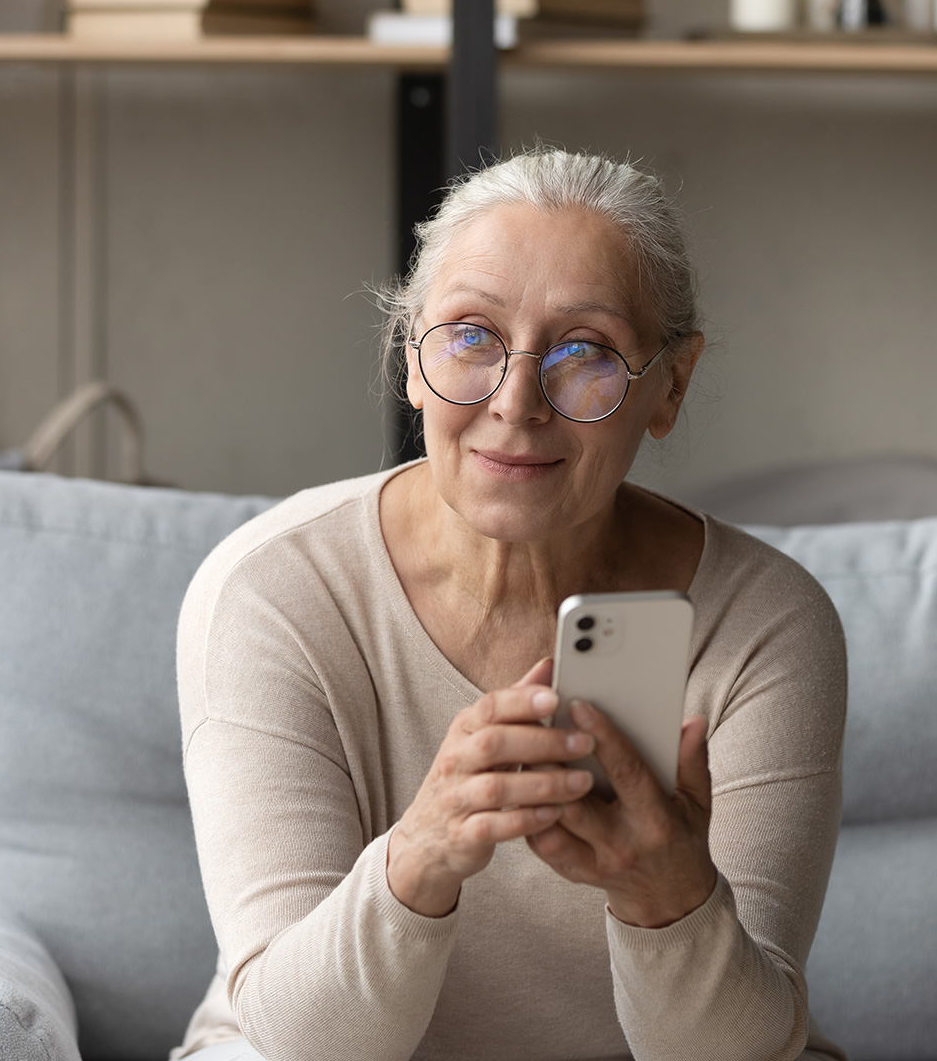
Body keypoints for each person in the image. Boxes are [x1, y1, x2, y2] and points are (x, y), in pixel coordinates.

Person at [174, 147, 849, 1061]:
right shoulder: (276, 591)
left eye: (586, 354)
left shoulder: (764, 624)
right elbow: (301, 1041)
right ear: (410, 361)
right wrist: (421, 855)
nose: (516, 400)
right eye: (471, 336)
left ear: (670, 386)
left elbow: (742, 1052)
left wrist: (669, 898)